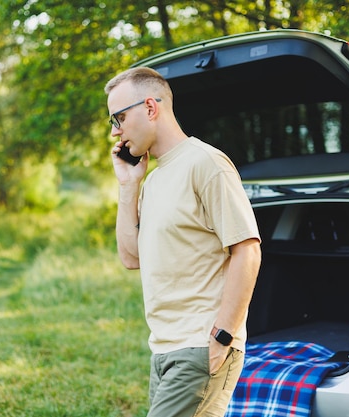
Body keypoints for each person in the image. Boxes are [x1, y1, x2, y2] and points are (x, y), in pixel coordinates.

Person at [105, 66, 262, 417]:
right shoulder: (154, 180)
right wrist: (129, 185)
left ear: (150, 108)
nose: (115, 131)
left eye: (118, 118)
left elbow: (247, 250)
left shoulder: (205, 163)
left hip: (201, 346)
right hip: (163, 349)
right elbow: (131, 257)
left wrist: (222, 337)